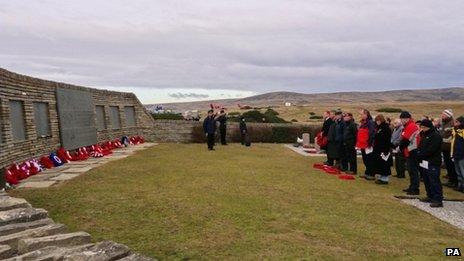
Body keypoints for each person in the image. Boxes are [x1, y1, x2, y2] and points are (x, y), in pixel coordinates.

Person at [417, 119, 444, 207]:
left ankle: (438, 199)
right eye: (422, 127)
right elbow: (421, 145)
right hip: (424, 161)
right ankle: (430, 196)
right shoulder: (425, 134)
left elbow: (432, 149)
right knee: (426, 179)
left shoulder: (436, 136)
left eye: (424, 127)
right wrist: (419, 152)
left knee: (434, 180)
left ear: (429, 127)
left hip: (433, 161)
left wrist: (421, 154)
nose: (423, 129)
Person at [399, 111, 421, 195]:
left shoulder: (411, 126)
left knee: (413, 170)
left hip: (413, 151)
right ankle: (412, 187)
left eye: (402, 119)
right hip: (409, 150)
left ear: (407, 118)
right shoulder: (408, 126)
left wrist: (400, 148)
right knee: (411, 170)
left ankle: (415, 188)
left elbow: (406, 140)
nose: (401, 121)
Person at [439, 109, 457, 188]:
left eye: (443, 115)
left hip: (450, 148)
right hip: (445, 147)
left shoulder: (452, 123)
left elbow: (451, 136)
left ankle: (454, 181)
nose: (442, 116)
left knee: (451, 165)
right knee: (448, 165)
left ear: (448, 115)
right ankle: (451, 180)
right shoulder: (444, 123)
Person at [356, 109, 376, 180]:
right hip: (362, 144)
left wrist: (369, 143)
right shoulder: (363, 122)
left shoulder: (370, 122)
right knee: (365, 159)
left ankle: (371, 174)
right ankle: (367, 172)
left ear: (366, 114)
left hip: (368, 145)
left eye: (361, 114)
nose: (360, 116)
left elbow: (372, 133)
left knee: (369, 159)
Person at [373, 114, 393, 184]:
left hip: (384, 149)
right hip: (378, 149)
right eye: (376, 121)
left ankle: (385, 179)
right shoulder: (379, 128)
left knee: (385, 164)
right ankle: (381, 177)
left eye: (378, 121)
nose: (377, 122)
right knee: (380, 164)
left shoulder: (386, 128)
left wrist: (386, 150)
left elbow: (387, 140)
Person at [451, 116, 464, 192]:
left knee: (462, 171)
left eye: (457, 122)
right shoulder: (455, 131)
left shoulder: (462, 132)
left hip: (462, 154)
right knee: (458, 171)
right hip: (455, 153)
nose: (455, 123)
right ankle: (460, 185)